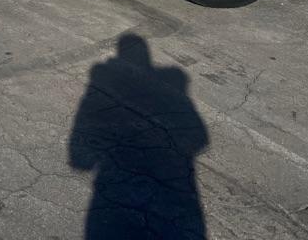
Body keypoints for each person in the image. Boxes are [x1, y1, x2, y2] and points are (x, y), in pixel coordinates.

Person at [69, 34, 208, 239]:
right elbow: (200, 138)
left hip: (114, 181)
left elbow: (199, 138)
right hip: (175, 185)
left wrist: (81, 156)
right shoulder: (173, 81)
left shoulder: (102, 75)